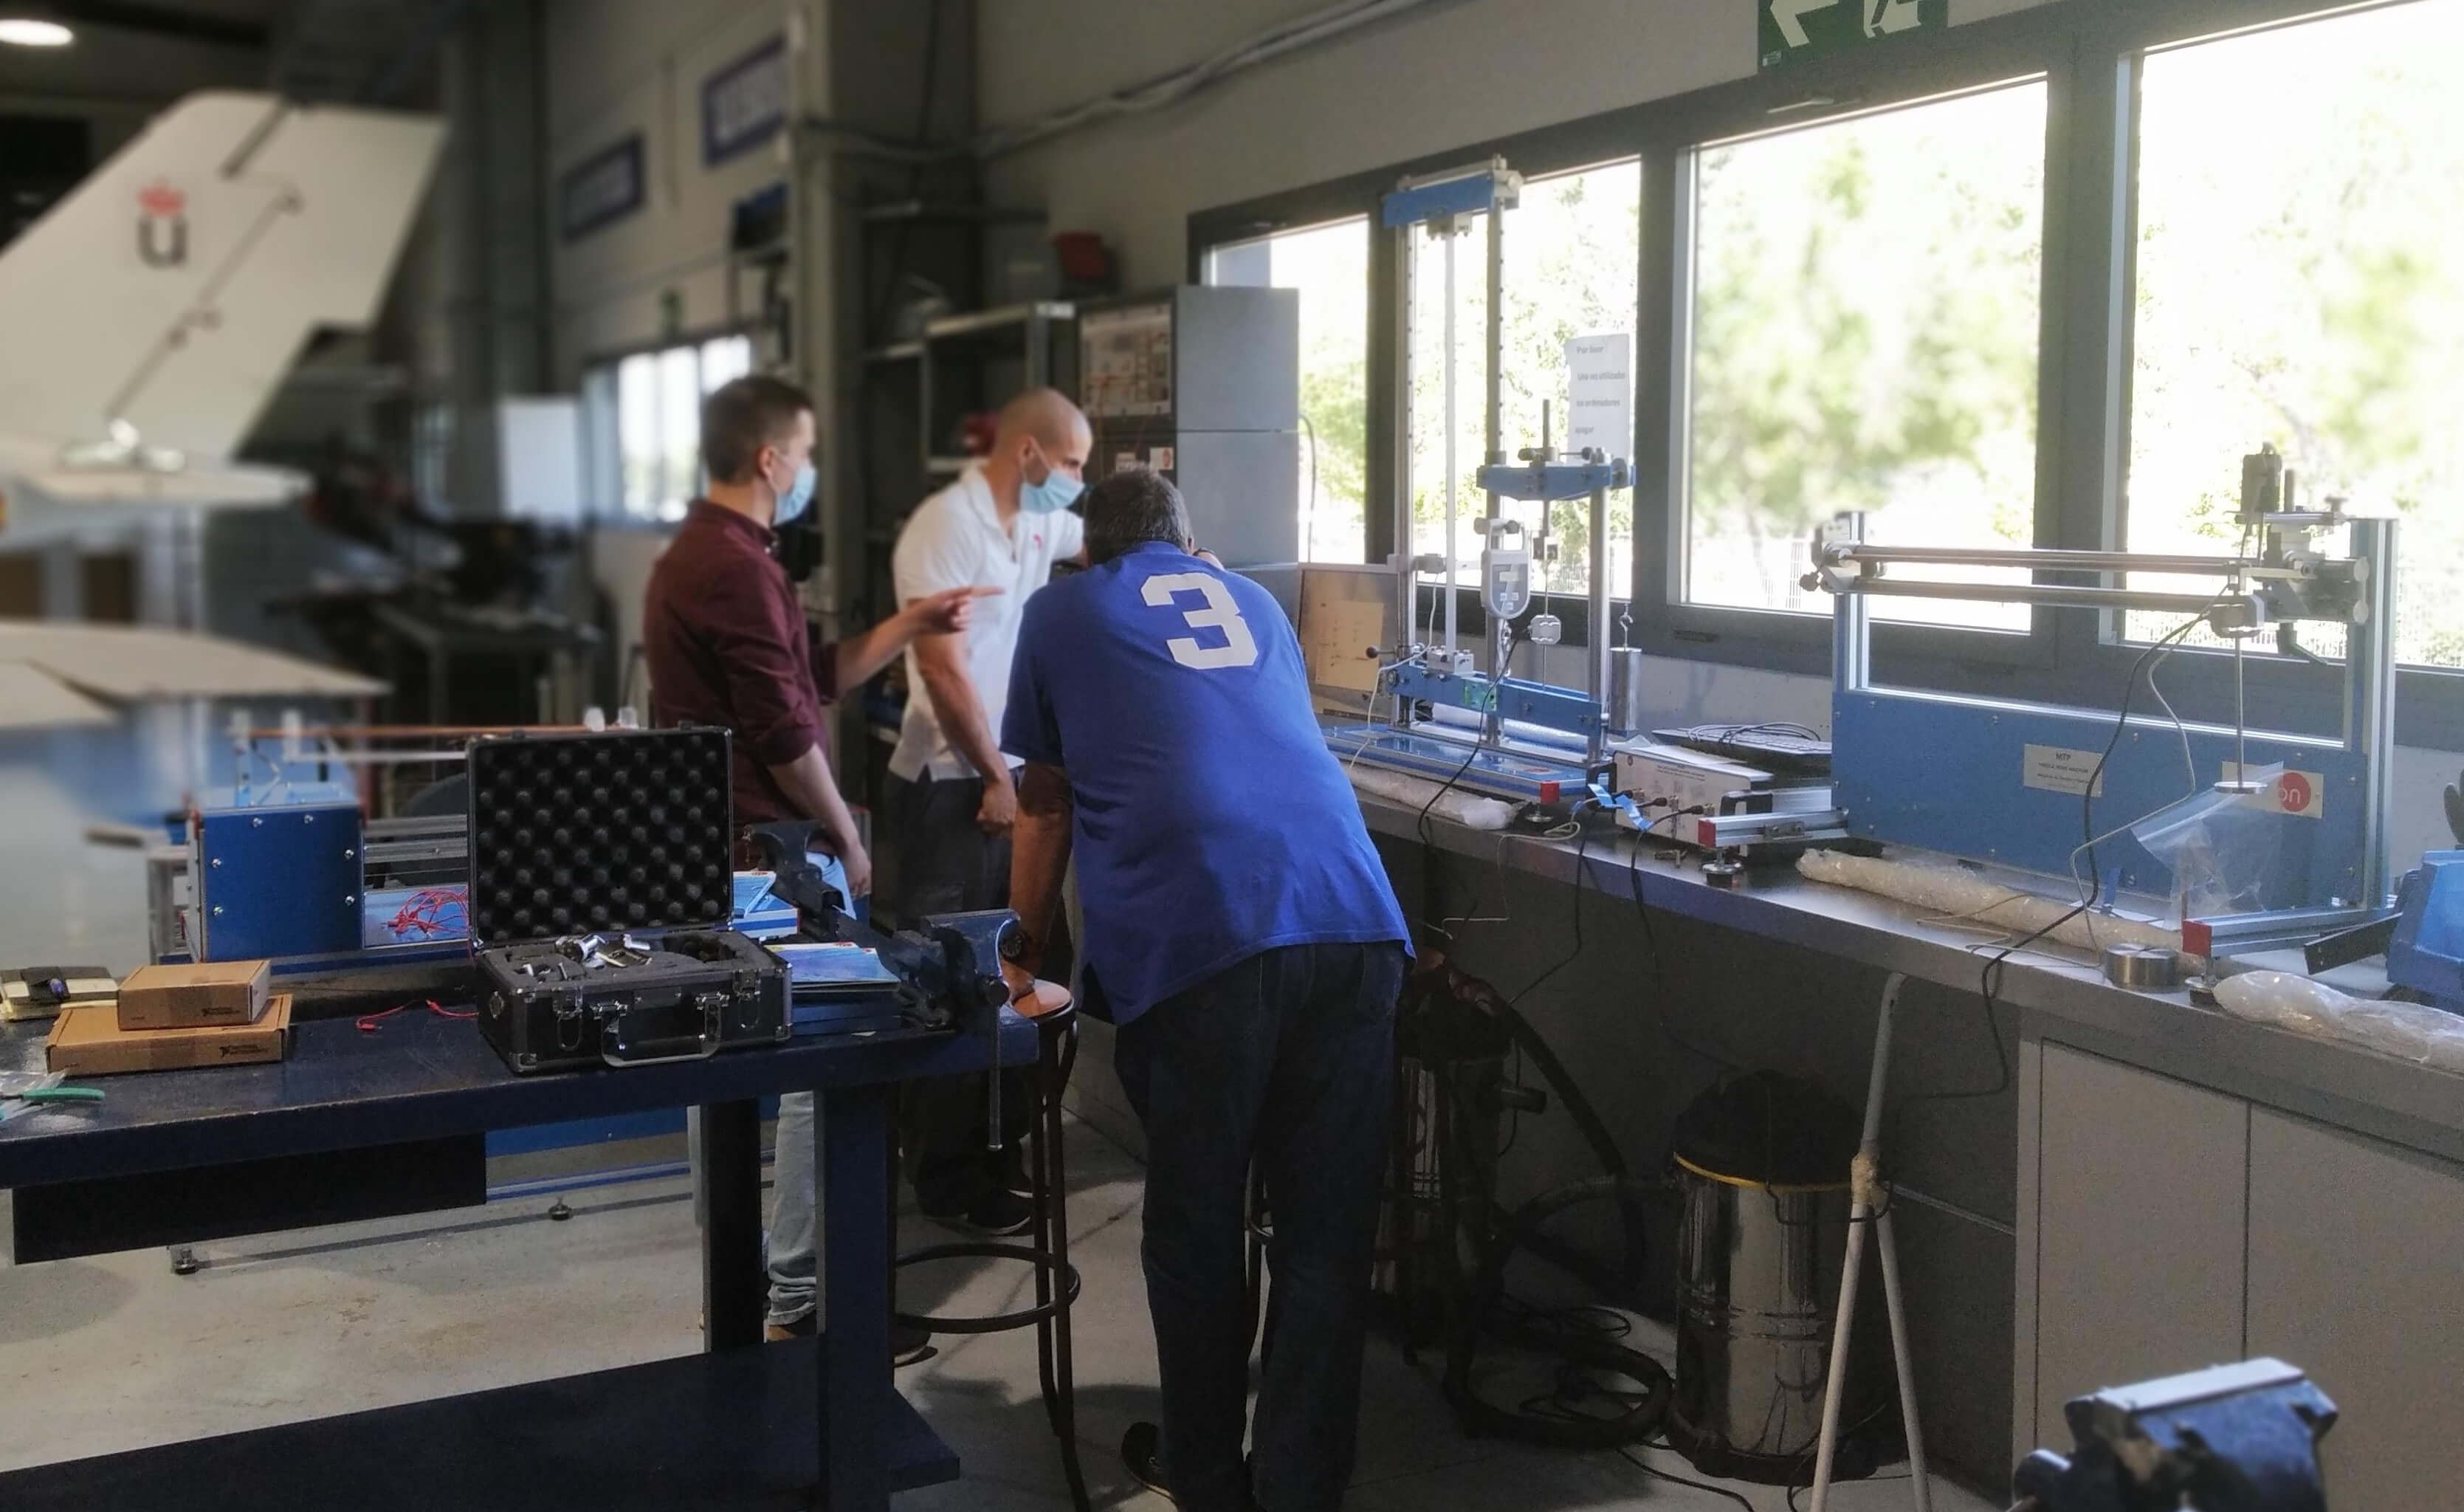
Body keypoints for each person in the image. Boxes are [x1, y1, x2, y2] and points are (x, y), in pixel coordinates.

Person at [999, 468, 1411, 1512]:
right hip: (1352, 923)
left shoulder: (1058, 610)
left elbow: (1042, 808)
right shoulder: (1259, 604)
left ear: (1089, 549)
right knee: (1323, 1241)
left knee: (1196, 1230)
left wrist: (1021, 950)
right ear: (1192, 543)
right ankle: (1299, 1488)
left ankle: (1207, 1483)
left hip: (1205, 940)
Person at [641, 373, 988, 1351]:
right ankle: (803, 1303)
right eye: (806, 450)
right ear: (770, 459)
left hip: (742, 847)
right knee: (811, 1073)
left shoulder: (720, 554)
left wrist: (911, 626)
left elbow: (810, 674)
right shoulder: (733, 567)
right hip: (769, 857)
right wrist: (845, 834)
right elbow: (786, 727)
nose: (810, 470)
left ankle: (762, 1294)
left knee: (756, 1072)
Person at [884, 386, 1091, 1234]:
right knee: (954, 982)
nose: (1078, 480)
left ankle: (995, 1150)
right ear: (1029, 454)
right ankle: (944, 1174)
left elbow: (1106, 543)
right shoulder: (945, 527)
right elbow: (943, 672)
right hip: (953, 786)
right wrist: (995, 778)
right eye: (1072, 462)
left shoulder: (1039, 522)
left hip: (1011, 778)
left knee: (1033, 971)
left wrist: (1190, 559)